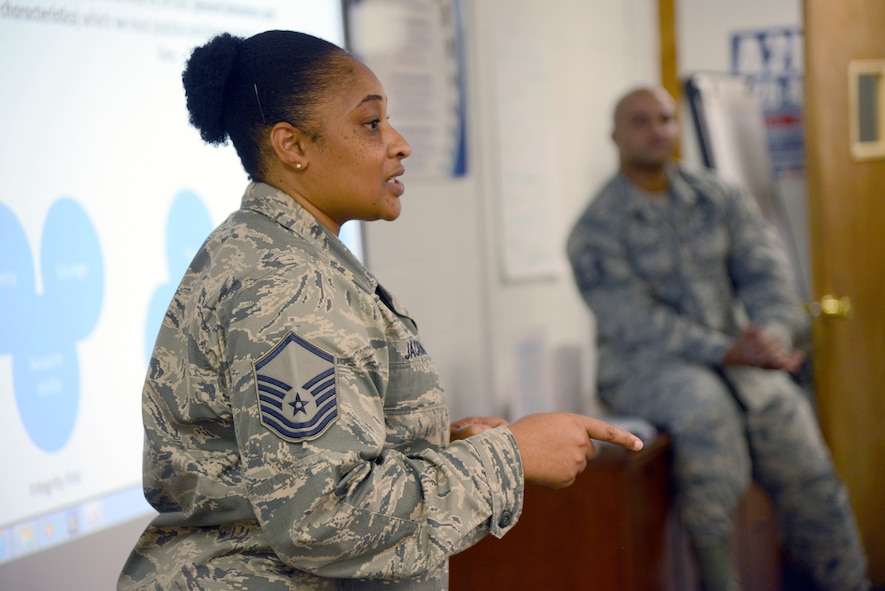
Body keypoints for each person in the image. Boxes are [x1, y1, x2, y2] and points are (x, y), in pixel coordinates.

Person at [118, 30, 643, 591]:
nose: (399, 144)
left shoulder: (278, 251)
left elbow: (276, 471)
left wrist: (427, 446)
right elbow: (324, 518)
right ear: (292, 146)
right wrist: (512, 457)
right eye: (371, 124)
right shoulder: (291, 287)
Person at [566, 86, 870, 591]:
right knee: (707, 416)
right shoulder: (595, 228)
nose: (657, 130)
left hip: (739, 361)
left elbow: (769, 275)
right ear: (615, 136)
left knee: (798, 440)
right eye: (641, 121)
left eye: (665, 118)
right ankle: (718, 578)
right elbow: (633, 320)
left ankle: (848, 580)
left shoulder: (718, 196)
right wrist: (725, 350)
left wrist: (771, 336)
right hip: (646, 366)